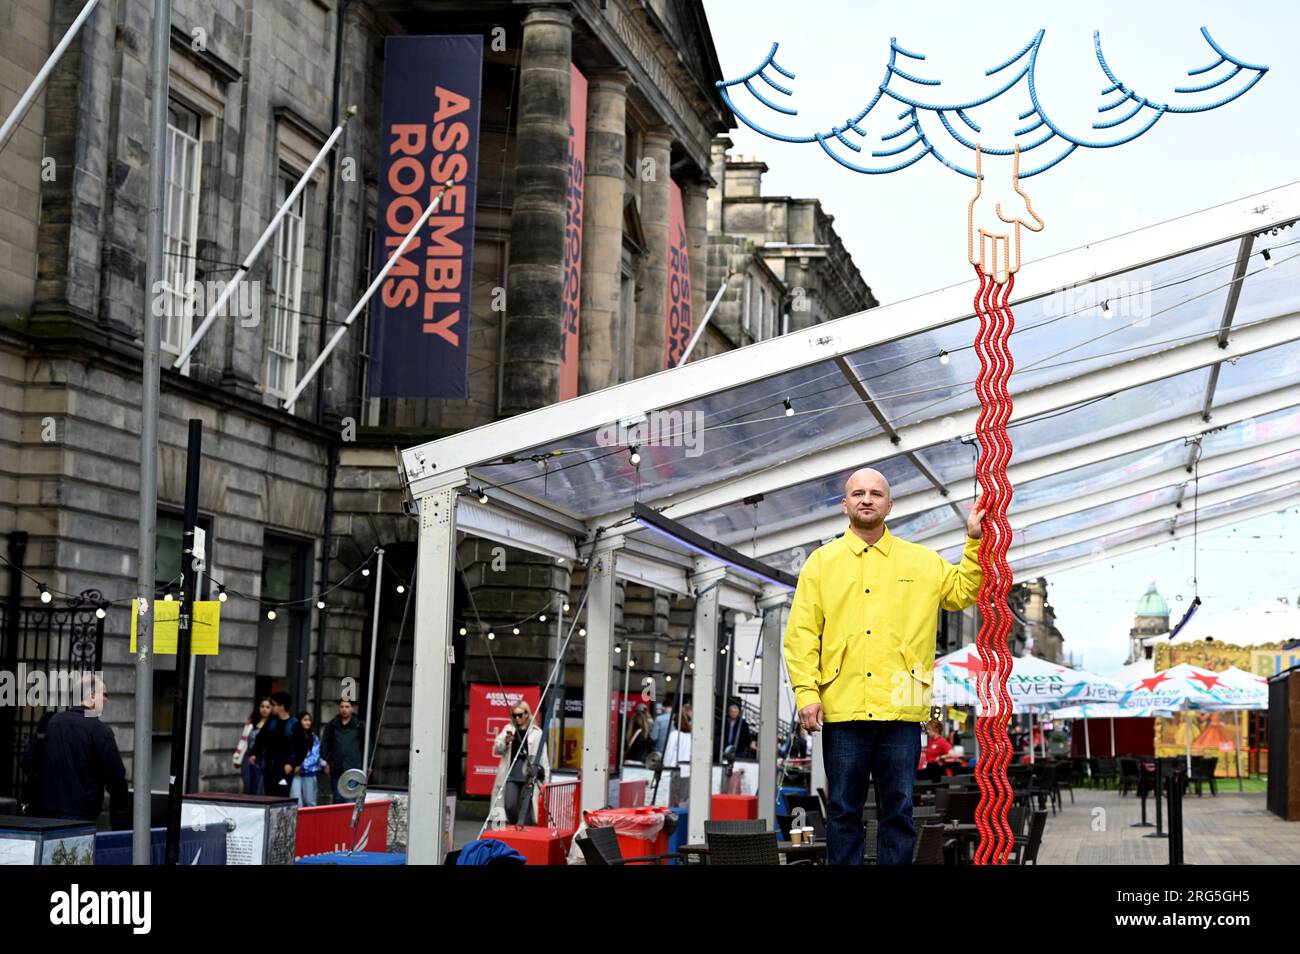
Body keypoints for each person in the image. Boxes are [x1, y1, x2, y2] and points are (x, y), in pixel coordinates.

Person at [783, 468, 984, 865]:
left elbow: (962, 592)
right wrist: (807, 693)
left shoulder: (922, 561)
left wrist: (974, 541)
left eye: (876, 493)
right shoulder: (821, 563)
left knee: (899, 813)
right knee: (842, 813)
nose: (866, 499)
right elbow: (802, 634)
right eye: (858, 493)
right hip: (843, 709)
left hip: (903, 707)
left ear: (890, 505)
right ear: (845, 505)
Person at [21, 673, 128, 825]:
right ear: (92, 696)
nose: (106, 699)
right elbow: (116, 775)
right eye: (104, 694)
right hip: (80, 814)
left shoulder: (51, 722)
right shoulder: (100, 730)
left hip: (43, 811)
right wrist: (121, 808)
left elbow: (28, 762)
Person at [490, 699, 549, 825]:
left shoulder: (536, 732)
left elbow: (543, 757)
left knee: (526, 807)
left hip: (529, 776)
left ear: (527, 714)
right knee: (510, 805)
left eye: (520, 715)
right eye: (514, 715)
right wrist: (506, 741)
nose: (517, 718)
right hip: (511, 774)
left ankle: (524, 831)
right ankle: (516, 827)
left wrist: (546, 781)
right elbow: (497, 748)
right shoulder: (508, 729)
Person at [249, 691, 304, 795]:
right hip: (269, 765)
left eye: (273, 705)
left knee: (281, 796)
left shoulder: (295, 724)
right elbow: (261, 738)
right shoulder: (271, 721)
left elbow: (302, 748)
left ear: (281, 706)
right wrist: (254, 753)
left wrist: (293, 764)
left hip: (285, 767)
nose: (271, 707)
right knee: (269, 795)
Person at [320, 698, 366, 802]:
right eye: (342, 707)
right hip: (336, 768)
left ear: (352, 709)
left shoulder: (359, 725)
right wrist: (325, 762)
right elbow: (325, 744)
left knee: (350, 800)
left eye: (347, 707)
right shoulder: (332, 725)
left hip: (353, 769)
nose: (344, 709)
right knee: (337, 799)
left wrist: (366, 765)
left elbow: (366, 745)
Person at [233, 697, 272, 795]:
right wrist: (237, 759)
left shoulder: (273, 724)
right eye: (262, 706)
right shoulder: (250, 723)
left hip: (263, 758)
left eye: (268, 707)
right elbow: (243, 741)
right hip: (248, 757)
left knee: (260, 787)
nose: (264, 709)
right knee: (248, 785)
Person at [291, 712, 321, 807]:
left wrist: (301, 765)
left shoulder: (313, 737)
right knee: (296, 800)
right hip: (295, 773)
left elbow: (315, 756)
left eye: (309, 720)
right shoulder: (293, 736)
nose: (307, 722)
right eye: (304, 720)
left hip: (309, 773)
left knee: (310, 802)